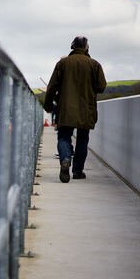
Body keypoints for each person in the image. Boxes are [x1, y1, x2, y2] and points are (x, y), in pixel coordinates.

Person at [43, 36, 106, 183]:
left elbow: (51, 87)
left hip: (65, 109)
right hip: (86, 109)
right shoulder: (94, 65)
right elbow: (101, 87)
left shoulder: (62, 64)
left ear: (72, 46)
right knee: (82, 140)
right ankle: (77, 171)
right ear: (87, 47)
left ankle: (65, 159)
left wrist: (48, 106)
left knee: (64, 137)